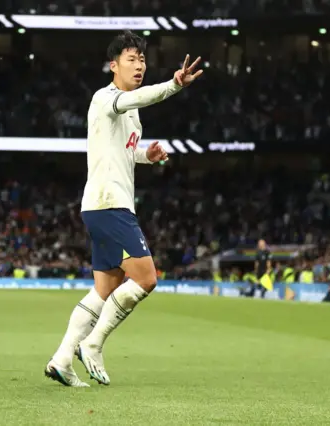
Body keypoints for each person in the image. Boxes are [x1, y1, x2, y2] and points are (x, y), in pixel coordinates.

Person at [45, 31, 203, 387]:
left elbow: (123, 152)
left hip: (103, 205)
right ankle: (94, 344)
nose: (139, 66)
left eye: (142, 60)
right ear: (113, 66)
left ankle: (61, 359)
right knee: (146, 278)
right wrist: (174, 85)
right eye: (131, 60)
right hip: (109, 204)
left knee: (104, 288)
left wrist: (146, 155)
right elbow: (145, 97)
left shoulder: (130, 115)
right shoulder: (107, 98)